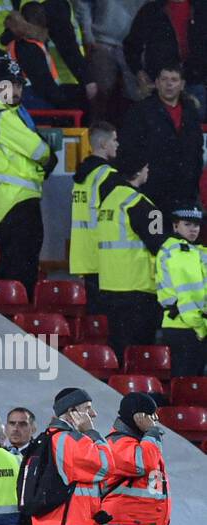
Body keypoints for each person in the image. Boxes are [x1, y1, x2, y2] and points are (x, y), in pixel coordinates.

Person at [0, 58, 56, 301]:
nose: (14, 91)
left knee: (18, 265)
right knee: (20, 269)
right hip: (17, 202)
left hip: (12, 201)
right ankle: (15, 320)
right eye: (9, 85)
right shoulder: (4, 117)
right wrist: (46, 155)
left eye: (18, 86)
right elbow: (40, 151)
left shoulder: (6, 115)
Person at [23, 387, 112, 525]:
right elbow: (105, 466)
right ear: (72, 412)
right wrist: (91, 433)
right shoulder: (68, 440)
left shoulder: (48, 439)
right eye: (87, 408)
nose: (93, 414)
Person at [95, 155, 165, 360]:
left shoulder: (108, 200)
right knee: (139, 355)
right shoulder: (141, 204)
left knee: (118, 348)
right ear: (139, 171)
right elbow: (158, 244)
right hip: (137, 288)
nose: (148, 171)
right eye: (146, 166)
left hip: (110, 285)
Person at [99, 392, 170, 525]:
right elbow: (142, 464)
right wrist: (152, 432)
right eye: (151, 415)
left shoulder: (145, 444)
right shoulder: (116, 443)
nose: (156, 420)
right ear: (138, 417)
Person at [118, 61, 204, 210]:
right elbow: (129, 147)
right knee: (155, 232)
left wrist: (193, 177)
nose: (169, 84)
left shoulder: (191, 112)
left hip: (185, 190)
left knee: (181, 233)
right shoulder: (140, 111)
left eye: (174, 80)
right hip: (152, 192)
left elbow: (197, 149)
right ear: (156, 83)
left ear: (182, 84)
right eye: (164, 79)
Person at [71, 122, 120, 306]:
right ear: (102, 144)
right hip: (103, 255)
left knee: (93, 316)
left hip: (84, 254)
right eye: (114, 140)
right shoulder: (107, 176)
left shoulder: (82, 176)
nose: (117, 144)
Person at [155, 202, 207, 376]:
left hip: (179, 325)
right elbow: (189, 296)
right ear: (175, 226)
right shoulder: (181, 252)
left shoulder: (186, 250)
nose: (193, 229)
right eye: (187, 224)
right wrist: (201, 329)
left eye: (196, 225)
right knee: (189, 385)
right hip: (188, 327)